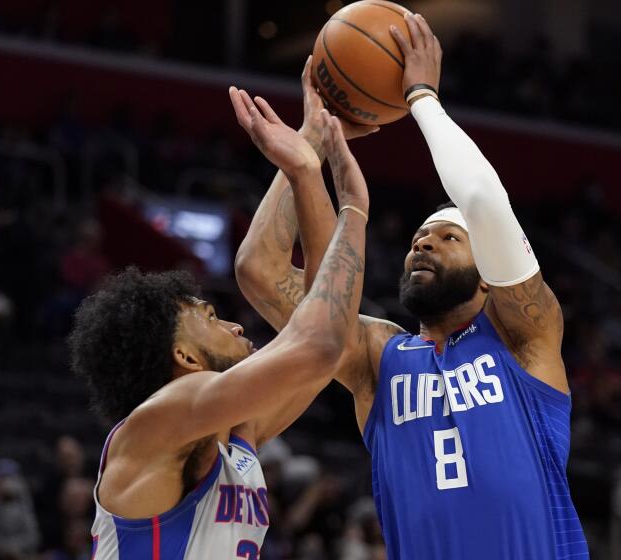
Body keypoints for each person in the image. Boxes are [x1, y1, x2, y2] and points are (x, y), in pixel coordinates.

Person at [233, 12, 588, 559]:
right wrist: (306, 153)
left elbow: (484, 202)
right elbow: (261, 271)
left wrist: (421, 96)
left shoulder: (524, 338)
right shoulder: (379, 357)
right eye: (420, 236)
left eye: (448, 237)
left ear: (491, 276)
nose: (424, 244)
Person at [67, 107, 370, 558]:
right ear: (185, 358)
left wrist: (310, 146)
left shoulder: (231, 433)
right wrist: (348, 209)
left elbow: (331, 334)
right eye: (210, 319)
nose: (234, 324)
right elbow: (319, 342)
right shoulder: (161, 418)